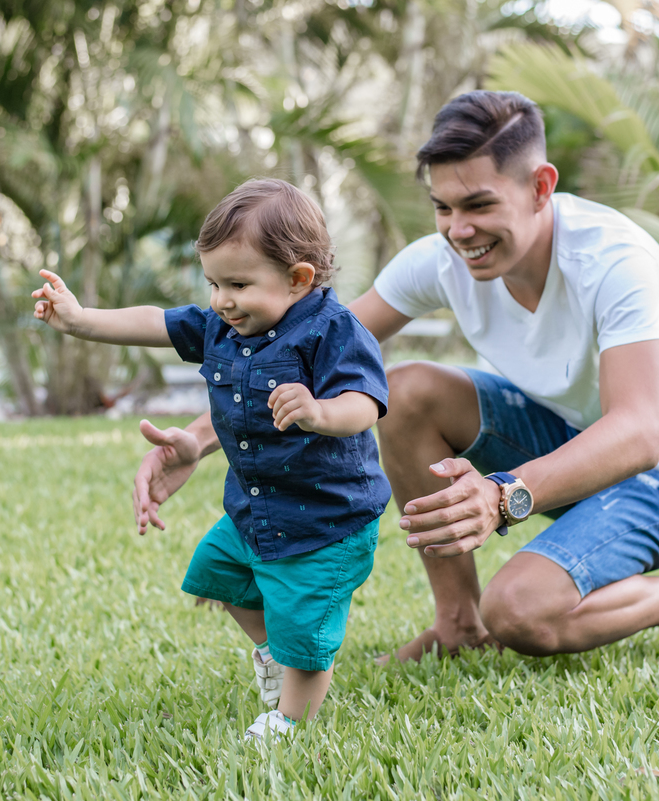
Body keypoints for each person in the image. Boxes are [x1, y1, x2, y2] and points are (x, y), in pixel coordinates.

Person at [132, 91, 659, 667]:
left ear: (541, 187)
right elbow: (303, 355)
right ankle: (457, 623)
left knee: (520, 612)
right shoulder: (442, 260)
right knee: (401, 393)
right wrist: (196, 440)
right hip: (562, 434)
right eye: (443, 207)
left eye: (480, 205)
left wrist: (501, 492)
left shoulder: (615, 262)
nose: (459, 230)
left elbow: (640, 431)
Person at [34, 178, 391, 739]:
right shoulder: (223, 326)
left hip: (326, 520)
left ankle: (289, 724)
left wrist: (320, 412)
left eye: (239, 284)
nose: (222, 300)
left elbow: (364, 403)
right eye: (214, 283)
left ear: (298, 279)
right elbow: (155, 321)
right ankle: (276, 655)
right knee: (217, 575)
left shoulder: (332, 330)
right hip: (255, 510)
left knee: (306, 636)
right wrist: (81, 321)